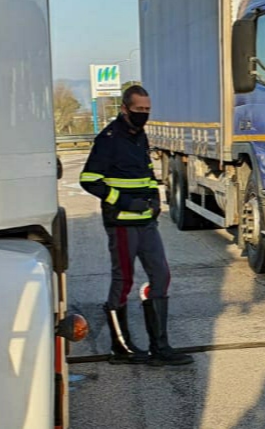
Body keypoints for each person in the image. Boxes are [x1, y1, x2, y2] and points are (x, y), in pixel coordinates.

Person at [80, 85, 192, 366]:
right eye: (138, 109)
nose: (144, 114)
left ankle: (160, 347)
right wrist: (124, 202)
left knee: (161, 276)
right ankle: (121, 347)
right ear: (124, 109)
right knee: (124, 281)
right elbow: (89, 179)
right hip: (121, 224)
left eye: (147, 110)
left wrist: (154, 199)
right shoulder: (108, 139)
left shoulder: (140, 136)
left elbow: (147, 173)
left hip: (146, 223)